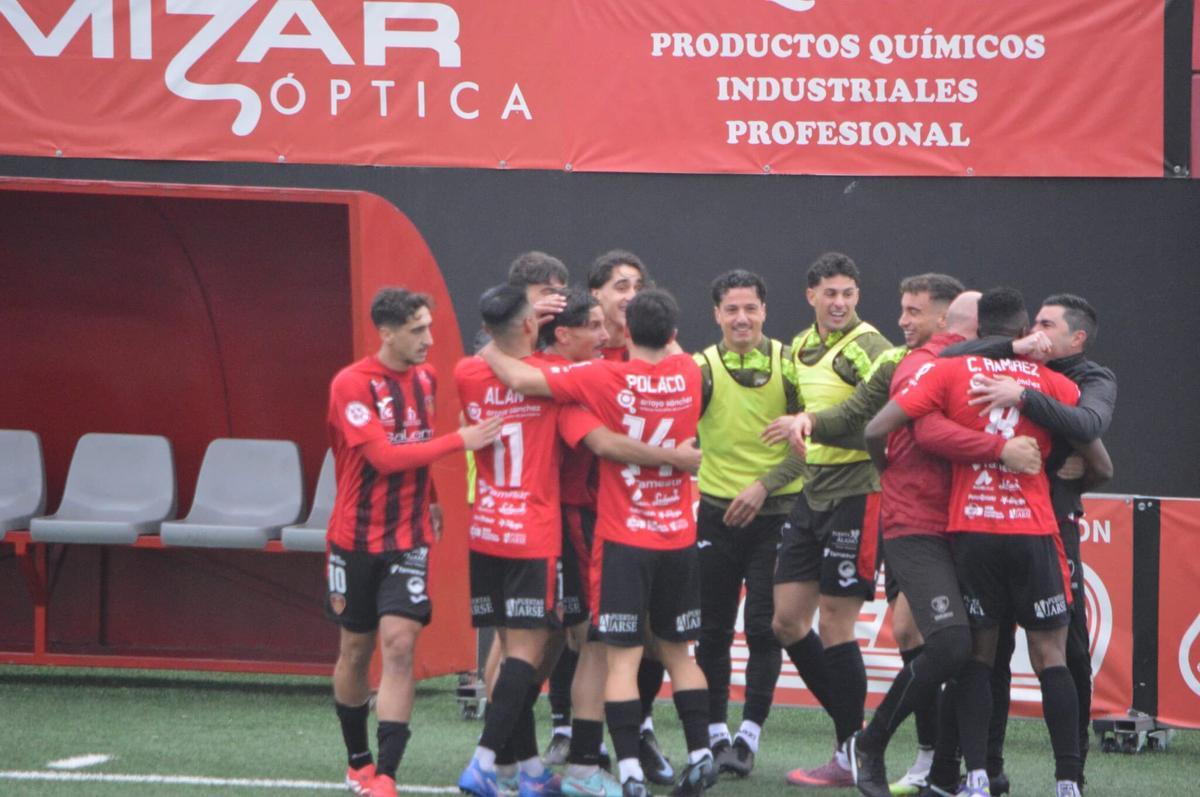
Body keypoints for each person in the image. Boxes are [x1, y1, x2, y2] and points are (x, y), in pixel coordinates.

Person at [864, 288, 1111, 797]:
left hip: (973, 534)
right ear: (1022, 332)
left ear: (978, 333)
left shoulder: (951, 372)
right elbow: (1103, 463)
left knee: (979, 656)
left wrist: (888, 471)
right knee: (1053, 656)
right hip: (1035, 533)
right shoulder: (1053, 382)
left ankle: (975, 776)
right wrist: (1057, 471)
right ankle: (1067, 781)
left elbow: (884, 428)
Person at [481, 288, 715, 797]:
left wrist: (490, 339)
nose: (604, 332)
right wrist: (674, 458)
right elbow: (607, 437)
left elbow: (527, 384)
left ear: (626, 333)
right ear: (674, 334)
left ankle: (621, 769)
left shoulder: (600, 376)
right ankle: (700, 753)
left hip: (620, 537)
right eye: (594, 323)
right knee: (674, 652)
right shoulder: (690, 370)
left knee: (614, 654)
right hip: (675, 535)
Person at [324, 287, 502, 797]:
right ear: (386, 333)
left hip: (408, 536)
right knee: (355, 651)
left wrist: (433, 498)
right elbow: (382, 457)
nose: (429, 339)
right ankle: (358, 759)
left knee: (400, 646)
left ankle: (386, 773)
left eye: (429, 326)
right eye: (417, 329)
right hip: (354, 539)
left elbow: (417, 444)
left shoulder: (425, 379)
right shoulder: (351, 384)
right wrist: (460, 441)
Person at [955, 293, 1117, 793]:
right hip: (990, 525)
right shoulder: (1013, 360)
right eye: (1034, 323)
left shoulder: (1090, 378)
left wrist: (1024, 397)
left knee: (1067, 652)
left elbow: (1092, 433)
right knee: (990, 649)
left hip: (1051, 527)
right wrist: (1013, 352)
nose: (1036, 332)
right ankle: (988, 769)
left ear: (1077, 338)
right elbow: (949, 361)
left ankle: (1072, 774)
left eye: (1048, 325)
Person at [761, 252, 893, 787]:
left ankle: (848, 753)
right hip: (811, 494)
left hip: (858, 493)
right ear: (810, 296)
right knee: (786, 623)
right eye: (830, 294)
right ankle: (855, 739)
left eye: (848, 293)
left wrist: (810, 422)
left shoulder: (870, 346)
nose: (839, 303)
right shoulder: (798, 346)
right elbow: (802, 422)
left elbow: (870, 420)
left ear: (858, 295)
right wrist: (797, 437)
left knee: (836, 624)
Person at [455, 285, 570, 797]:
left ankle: (529, 768)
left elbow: (493, 358)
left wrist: (503, 332)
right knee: (525, 656)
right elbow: (523, 377)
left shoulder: (466, 372)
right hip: (531, 532)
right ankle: (483, 762)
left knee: (508, 653)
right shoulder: (554, 373)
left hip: (486, 529)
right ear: (531, 325)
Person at [691, 270, 804, 779]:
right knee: (712, 630)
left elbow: (811, 446)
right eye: (731, 309)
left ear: (765, 311)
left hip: (777, 515)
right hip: (716, 515)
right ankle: (717, 734)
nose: (741, 318)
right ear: (716, 314)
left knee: (764, 628)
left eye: (750, 308)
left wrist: (763, 487)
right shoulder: (700, 369)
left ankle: (749, 736)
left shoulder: (790, 363)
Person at [585, 248, 674, 785]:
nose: (630, 296)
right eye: (620, 285)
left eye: (638, 286)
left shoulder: (662, 352)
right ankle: (575, 735)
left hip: (647, 516)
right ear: (594, 294)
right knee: (582, 634)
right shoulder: (580, 348)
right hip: (581, 509)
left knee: (653, 632)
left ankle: (639, 730)